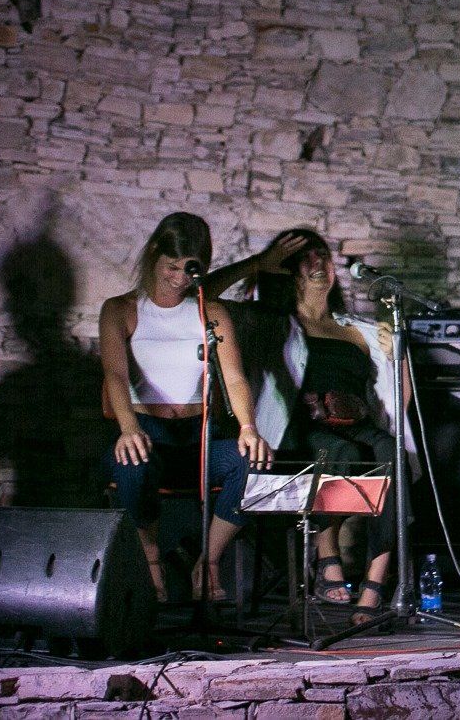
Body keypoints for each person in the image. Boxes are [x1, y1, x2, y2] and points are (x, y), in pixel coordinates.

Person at [207, 229, 409, 625]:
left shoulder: (359, 329)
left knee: (393, 454)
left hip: (358, 423)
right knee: (342, 452)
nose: (319, 264)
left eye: (323, 256)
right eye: (306, 258)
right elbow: (201, 298)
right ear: (286, 270)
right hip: (300, 430)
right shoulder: (267, 321)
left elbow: (397, 404)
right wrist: (256, 264)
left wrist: (397, 356)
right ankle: (327, 557)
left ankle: (374, 584)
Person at [99, 212, 271, 603]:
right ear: (153, 256)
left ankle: (208, 561)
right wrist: (128, 427)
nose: (179, 278)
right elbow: (115, 375)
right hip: (147, 433)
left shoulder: (211, 312)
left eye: (188, 269)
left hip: (199, 439)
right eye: (171, 267)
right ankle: (151, 557)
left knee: (254, 461)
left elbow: (235, 378)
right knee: (131, 462)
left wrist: (248, 428)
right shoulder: (120, 309)